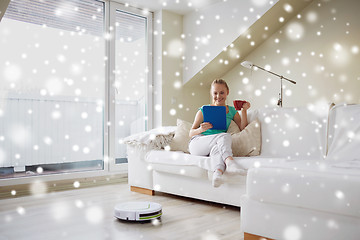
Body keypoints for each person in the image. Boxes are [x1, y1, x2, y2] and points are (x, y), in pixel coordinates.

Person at [188, 79, 251, 187]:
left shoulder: (231, 111)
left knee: (218, 149)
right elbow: (191, 133)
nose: (218, 96)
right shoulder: (204, 110)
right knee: (225, 136)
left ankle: (217, 174)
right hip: (198, 143)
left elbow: (242, 128)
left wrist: (244, 111)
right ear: (211, 94)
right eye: (215, 93)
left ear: (227, 92)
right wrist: (200, 130)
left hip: (217, 144)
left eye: (222, 92)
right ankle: (230, 162)